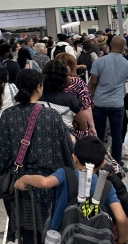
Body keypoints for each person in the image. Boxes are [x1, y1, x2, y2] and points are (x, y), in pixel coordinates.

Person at [0, 69, 75, 244]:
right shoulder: (51, 116)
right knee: (51, 235)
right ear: (39, 87)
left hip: (21, 185)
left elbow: (2, 157)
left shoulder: (7, 116)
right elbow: (67, 151)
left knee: (28, 235)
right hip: (48, 185)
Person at [89, 35, 128, 164]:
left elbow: (93, 82)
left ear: (110, 45)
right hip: (117, 104)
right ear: (123, 47)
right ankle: (116, 163)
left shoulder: (99, 61)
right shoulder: (126, 63)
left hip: (99, 103)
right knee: (117, 135)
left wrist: (87, 97)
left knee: (99, 134)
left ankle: (99, 161)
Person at [39, 59, 88, 137]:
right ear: (61, 77)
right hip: (64, 140)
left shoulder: (38, 96)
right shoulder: (71, 100)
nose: (71, 77)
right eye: (68, 74)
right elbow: (83, 126)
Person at [56, 52, 96, 138]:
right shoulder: (77, 82)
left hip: (56, 127)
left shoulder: (51, 82)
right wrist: (92, 126)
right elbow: (86, 107)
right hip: (76, 127)